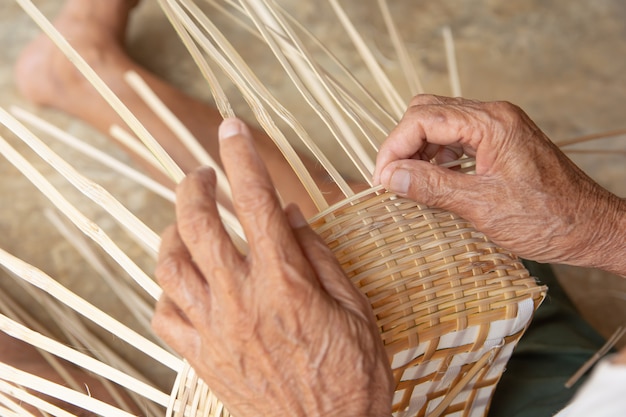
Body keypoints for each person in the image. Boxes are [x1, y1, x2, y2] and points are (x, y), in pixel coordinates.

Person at [5, 0, 625, 415]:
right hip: (581, 393)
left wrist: (320, 404)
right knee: (375, 252)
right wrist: (600, 229)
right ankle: (82, 74)